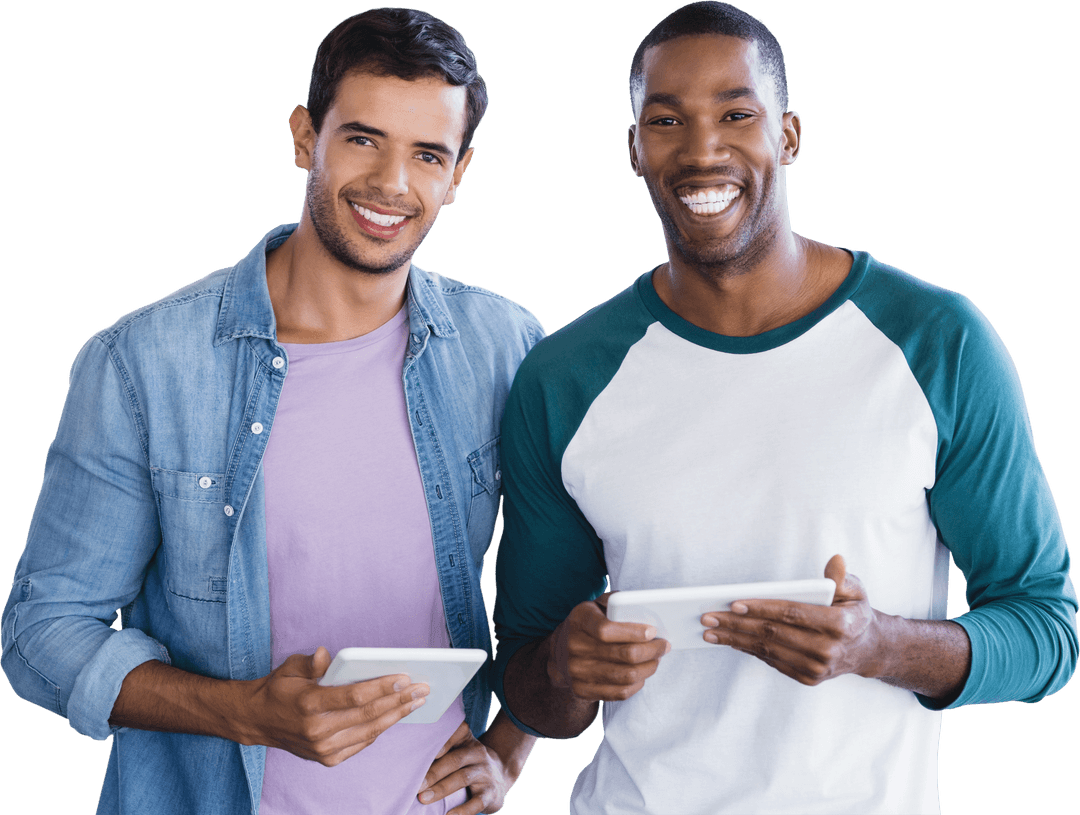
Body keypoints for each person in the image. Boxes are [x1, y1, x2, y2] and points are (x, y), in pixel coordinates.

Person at [491, 2, 1078, 813]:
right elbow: (529, 683)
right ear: (633, 149)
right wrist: (564, 667)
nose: (702, 149)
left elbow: (1049, 631)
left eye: (737, 113)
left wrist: (883, 645)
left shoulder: (936, 341)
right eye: (666, 120)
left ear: (789, 135)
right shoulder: (564, 379)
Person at [1, 8, 542, 815]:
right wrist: (245, 713)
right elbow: (42, 636)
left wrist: (508, 749)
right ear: (304, 137)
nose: (392, 183)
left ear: (459, 173)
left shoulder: (505, 343)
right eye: (362, 138)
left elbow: (563, 582)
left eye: (427, 153)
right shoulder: (143, 365)